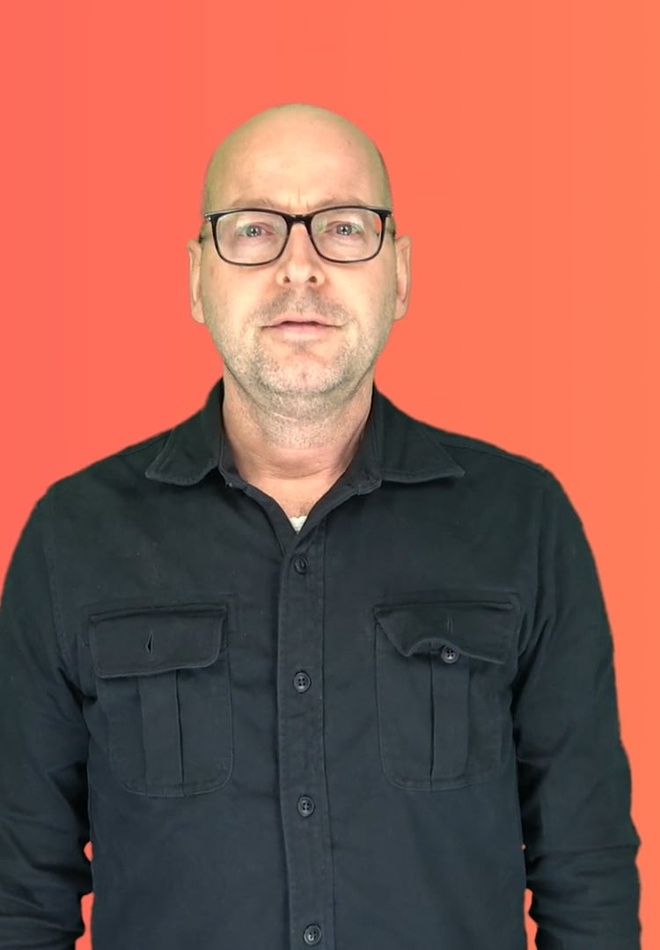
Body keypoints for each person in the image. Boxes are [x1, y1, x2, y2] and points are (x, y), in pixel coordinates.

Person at [0, 103, 640, 950]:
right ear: (196, 279)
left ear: (399, 274)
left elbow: (587, 876)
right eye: (254, 229)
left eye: (342, 228)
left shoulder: (524, 521)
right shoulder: (73, 536)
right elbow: (18, 892)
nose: (298, 267)